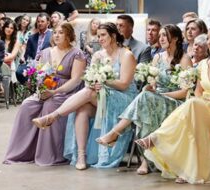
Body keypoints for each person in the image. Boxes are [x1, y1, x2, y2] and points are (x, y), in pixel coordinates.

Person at [136, 24, 210, 183]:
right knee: (193, 107)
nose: (209, 42)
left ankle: (157, 137)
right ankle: (187, 171)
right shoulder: (204, 64)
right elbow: (198, 91)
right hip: (202, 107)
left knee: (192, 105)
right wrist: (202, 101)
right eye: (208, 38)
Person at [31, 22, 137, 170]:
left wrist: (103, 81)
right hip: (100, 96)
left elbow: (124, 84)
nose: (99, 39)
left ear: (113, 36)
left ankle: (52, 117)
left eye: (103, 35)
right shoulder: (98, 55)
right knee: (82, 109)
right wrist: (93, 83)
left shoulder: (126, 55)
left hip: (123, 99)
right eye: (98, 36)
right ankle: (81, 156)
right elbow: (88, 80)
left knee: (88, 93)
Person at [97, 24, 192, 174]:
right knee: (145, 99)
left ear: (175, 38)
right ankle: (145, 159)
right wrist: (149, 88)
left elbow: (185, 92)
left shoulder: (185, 59)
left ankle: (117, 135)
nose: (161, 39)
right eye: (160, 36)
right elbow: (152, 84)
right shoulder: (157, 57)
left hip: (175, 101)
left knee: (146, 100)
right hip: (155, 99)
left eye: (164, 35)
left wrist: (161, 95)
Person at [4, 22, 87, 165]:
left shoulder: (77, 54)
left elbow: (75, 80)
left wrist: (55, 91)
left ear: (69, 35)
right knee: (27, 105)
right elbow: (39, 74)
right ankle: (25, 152)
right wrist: (40, 88)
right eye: (55, 33)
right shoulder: (45, 52)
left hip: (66, 92)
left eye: (61, 32)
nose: (57, 35)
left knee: (50, 106)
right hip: (46, 89)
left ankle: (50, 154)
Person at [16, 14, 51, 83]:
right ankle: (29, 86)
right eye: (38, 21)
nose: (40, 23)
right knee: (19, 71)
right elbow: (27, 55)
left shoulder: (52, 35)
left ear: (48, 23)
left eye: (42, 21)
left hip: (47, 64)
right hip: (33, 64)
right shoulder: (32, 37)